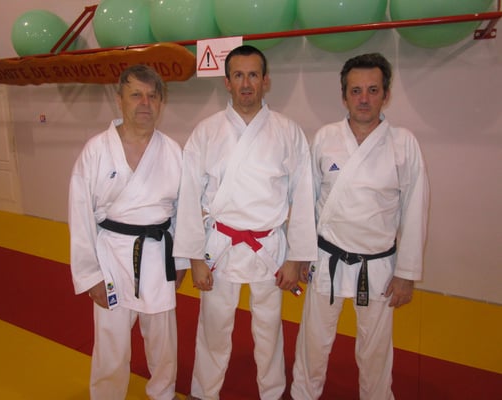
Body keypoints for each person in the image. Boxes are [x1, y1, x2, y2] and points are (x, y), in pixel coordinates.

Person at [173, 45, 318, 400]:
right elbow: (188, 197)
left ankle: (272, 393)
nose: (246, 83)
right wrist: (194, 258)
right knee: (213, 328)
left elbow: (302, 198)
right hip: (220, 246)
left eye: (253, 75)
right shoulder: (206, 132)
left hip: (268, 247)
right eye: (238, 75)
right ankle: (204, 393)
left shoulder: (288, 131)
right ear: (227, 82)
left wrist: (296, 257)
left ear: (266, 81)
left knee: (269, 330)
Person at [291, 53, 430, 400]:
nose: (364, 98)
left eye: (372, 90)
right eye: (355, 91)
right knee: (313, 341)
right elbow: (306, 200)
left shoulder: (403, 143)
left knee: (375, 349)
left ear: (386, 95)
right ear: (344, 96)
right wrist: (302, 253)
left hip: (379, 263)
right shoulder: (325, 137)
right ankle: (304, 394)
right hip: (327, 257)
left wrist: (406, 273)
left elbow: (415, 209)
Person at [68, 64, 188, 400]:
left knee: (163, 342)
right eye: (136, 95)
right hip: (111, 258)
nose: (144, 103)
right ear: (119, 99)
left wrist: (180, 260)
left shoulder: (173, 151)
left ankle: (162, 393)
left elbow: (183, 212)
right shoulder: (96, 150)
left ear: (161, 102)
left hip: (159, 257)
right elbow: (79, 214)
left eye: (152, 96)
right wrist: (89, 274)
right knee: (111, 343)